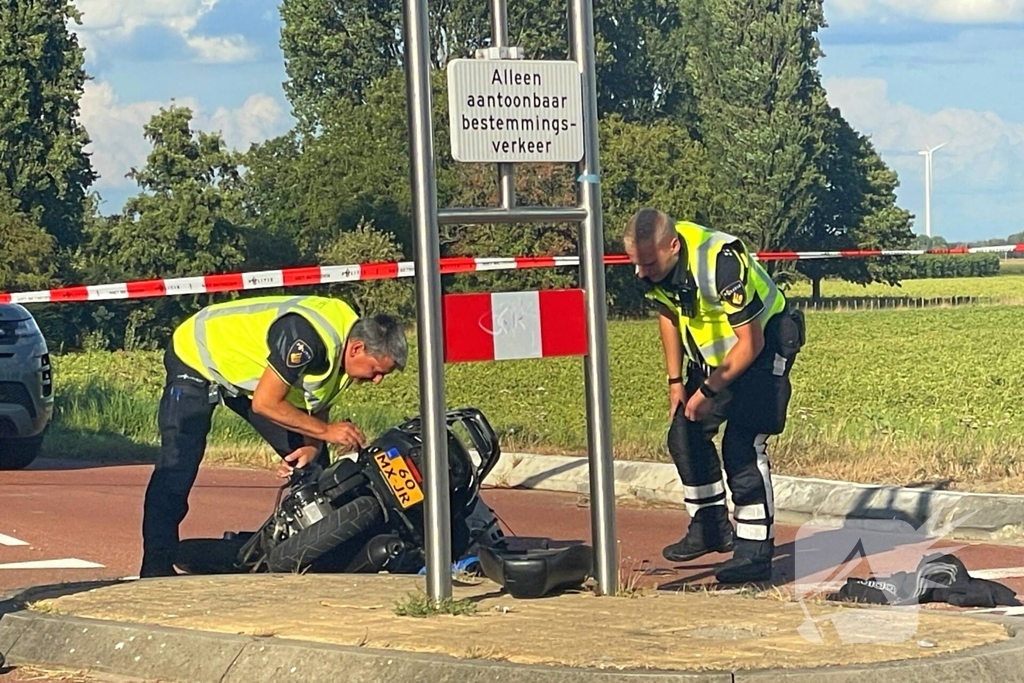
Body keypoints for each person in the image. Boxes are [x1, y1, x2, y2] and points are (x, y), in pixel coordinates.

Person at [139, 294, 408, 578]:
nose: (377, 380)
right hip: (198, 354)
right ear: (357, 348)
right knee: (177, 466)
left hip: (249, 379)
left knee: (314, 471)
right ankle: (155, 565)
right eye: (376, 371)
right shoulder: (307, 338)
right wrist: (327, 432)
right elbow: (265, 403)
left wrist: (313, 447)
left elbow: (317, 400)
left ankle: (311, 556)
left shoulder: (344, 346)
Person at [623, 208, 805, 584]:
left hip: (764, 345)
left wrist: (708, 391)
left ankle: (754, 552)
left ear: (673, 246)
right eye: (636, 264)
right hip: (714, 359)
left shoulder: (721, 261)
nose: (640, 273)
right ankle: (709, 528)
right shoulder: (654, 265)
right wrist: (676, 381)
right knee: (684, 434)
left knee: (742, 445)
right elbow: (668, 313)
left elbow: (751, 342)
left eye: (648, 264)